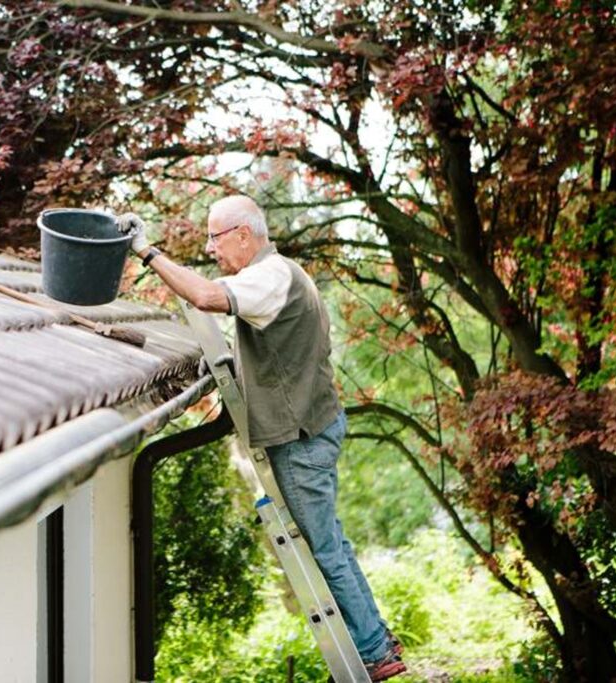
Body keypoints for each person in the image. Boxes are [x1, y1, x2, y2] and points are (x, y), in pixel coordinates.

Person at [117, 195, 407, 682]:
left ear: (244, 235)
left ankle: (374, 653)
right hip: (312, 428)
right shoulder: (281, 273)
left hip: (300, 439)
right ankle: (376, 636)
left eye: (215, 237)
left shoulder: (271, 279)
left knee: (323, 550)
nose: (211, 248)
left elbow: (207, 297)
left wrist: (146, 251)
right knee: (331, 542)